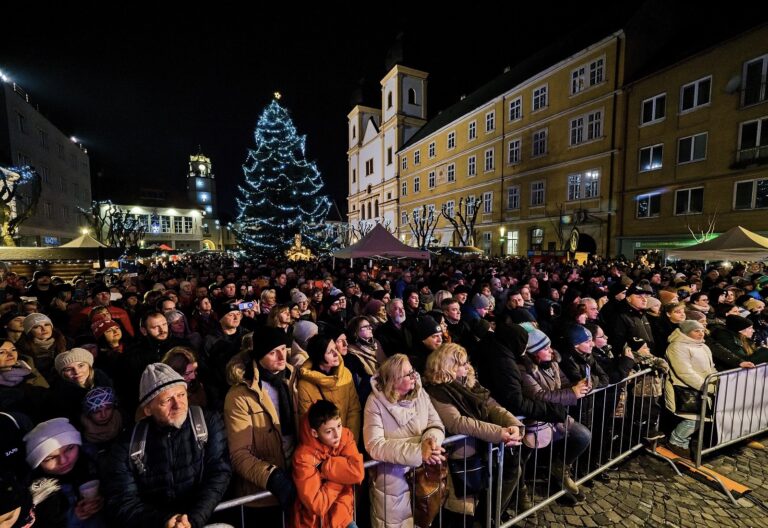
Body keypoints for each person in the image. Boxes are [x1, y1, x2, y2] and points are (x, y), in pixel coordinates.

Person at [103, 363, 231, 527]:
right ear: (148, 409)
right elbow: (122, 499)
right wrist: (164, 521)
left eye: (181, 395)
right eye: (167, 400)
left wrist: (193, 519)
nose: (178, 405)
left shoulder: (208, 422)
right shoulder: (128, 443)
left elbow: (219, 472)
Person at [423, 343, 524, 523]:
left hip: (481, 451)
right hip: (460, 458)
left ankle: (490, 519)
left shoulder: (469, 383)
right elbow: (457, 423)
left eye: (466, 362)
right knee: (461, 512)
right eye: (462, 363)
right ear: (448, 366)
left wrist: (512, 424)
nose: (467, 366)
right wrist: (498, 433)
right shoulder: (437, 390)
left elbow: (491, 405)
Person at [363, 354, 446, 528]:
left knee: (423, 520)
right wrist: (419, 451)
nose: (414, 376)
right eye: (408, 374)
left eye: (413, 371)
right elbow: (374, 445)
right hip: (392, 482)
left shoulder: (420, 393)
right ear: (393, 380)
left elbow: (435, 424)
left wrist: (431, 442)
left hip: (423, 474)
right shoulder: (375, 402)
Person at [223, 327, 299, 517]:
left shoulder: (292, 379)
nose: (282, 356)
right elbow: (239, 453)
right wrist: (272, 476)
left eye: (283, 348)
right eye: (273, 352)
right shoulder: (240, 395)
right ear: (259, 355)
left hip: (298, 479)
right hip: (262, 493)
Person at [291, 400, 365, 528]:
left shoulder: (345, 436)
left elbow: (358, 473)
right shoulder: (303, 457)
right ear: (315, 433)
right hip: (315, 524)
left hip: (343, 518)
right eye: (329, 431)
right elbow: (318, 504)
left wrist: (325, 467)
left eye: (339, 425)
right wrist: (343, 476)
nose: (337, 434)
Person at [24, 417, 105, 527]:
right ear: (37, 464)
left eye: (69, 448)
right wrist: (72, 517)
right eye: (49, 458)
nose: (63, 461)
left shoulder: (94, 463)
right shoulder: (33, 494)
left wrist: (104, 500)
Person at [663, 321, 718, 458]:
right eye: (696, 331)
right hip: (685, 389)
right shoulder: (676, 347)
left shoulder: (703, 346)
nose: (701, 333)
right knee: (692, 418)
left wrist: (714, 381)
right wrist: (706, 386)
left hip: (702, 389)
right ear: (686, 332)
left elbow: (711, 367)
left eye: (702, 330)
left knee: (700, 418)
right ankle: (676, 441)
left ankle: (683, 443)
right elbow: (684, 372)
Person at [297, 335, 362, 442]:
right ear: (319, 357)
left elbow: (354, 410)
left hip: (348, 440)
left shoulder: (345, 373)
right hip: (323, 446)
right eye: (330, 352)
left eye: (335, 349)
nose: (336, 353)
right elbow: (308, 424)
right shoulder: (305, 384)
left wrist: (349, 440)